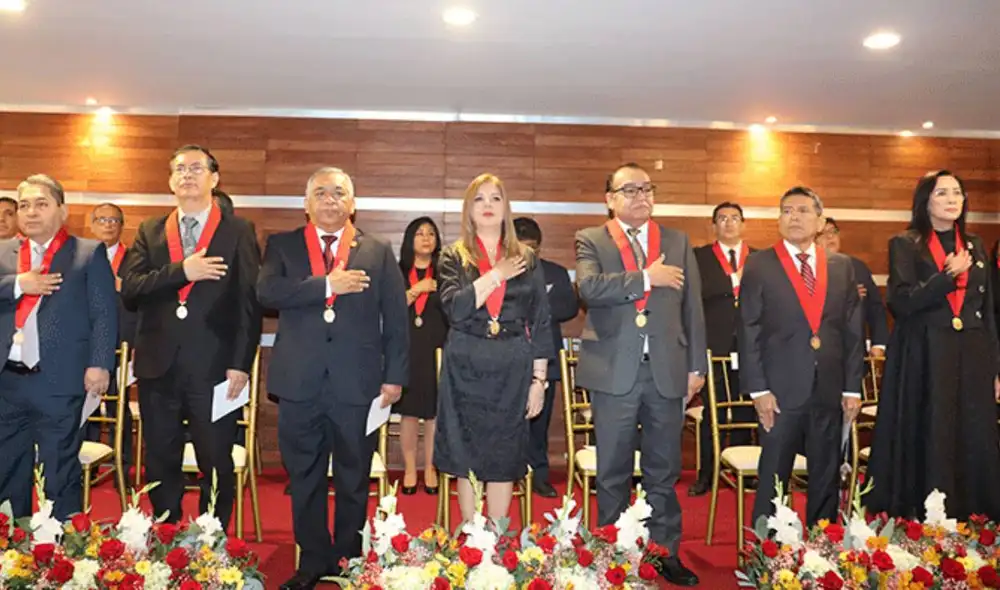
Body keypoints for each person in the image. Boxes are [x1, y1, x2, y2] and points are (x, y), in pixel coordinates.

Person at [258, 167, 408, 590]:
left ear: (352, 204)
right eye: (320, 193)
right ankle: (311, 562)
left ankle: (348, 561)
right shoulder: (283, 246)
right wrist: (327, 284)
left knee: (353, 477)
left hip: (356, 384)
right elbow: (266, 293)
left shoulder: (377, 250)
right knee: (303, 478)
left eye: (338, 193)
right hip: (298, 383)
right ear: (306, 205)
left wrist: (394, 376)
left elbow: (396, 319)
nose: (329, 200)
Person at [575, 162, 705, 586]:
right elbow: (590, 289)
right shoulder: (592, 239)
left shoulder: (677, 240)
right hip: (613, 372)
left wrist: (696, 368)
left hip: (667, 371)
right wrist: (648, 277)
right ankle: (614, 553)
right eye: (628, 190)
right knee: (612, 469)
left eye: (646, 188)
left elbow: (693, 310)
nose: (640, 197)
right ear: (610, 199)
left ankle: (664, 551)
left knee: (663, 470)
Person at [120, 145, 262, 529]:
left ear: (214, 179)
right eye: (179, 169)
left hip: (215, 367)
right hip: (157, 365)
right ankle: (166, 532)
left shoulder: (238, 230)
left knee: (215, 458)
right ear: (170, 181)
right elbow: (131, 288)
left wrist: (240, 364)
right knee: (161, 456)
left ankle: (212, 540)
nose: (187, 175)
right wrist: (183, 270)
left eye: (196, 168)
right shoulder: (150, 230)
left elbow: (249, 303)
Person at [866, 170, 1000, 521]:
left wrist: (995, 366)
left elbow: (988, 313)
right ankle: (922, 516)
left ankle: (974, 517)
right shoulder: (906, 243)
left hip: (971, 354)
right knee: (930, 430)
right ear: (925, 201)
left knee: (971, 432)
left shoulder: (976, 245)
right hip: (924, 352)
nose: (952, 199)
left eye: (957, 192)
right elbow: (901, 302)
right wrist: (946, 278)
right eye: (942, 193)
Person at [740, 186, 864, 528]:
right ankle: (769, 556)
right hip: (779, 392)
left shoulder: (841, 266)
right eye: (787, 210)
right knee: (774, 478)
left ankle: (822, 548)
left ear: (820, 221)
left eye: (803, 210)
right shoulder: (758, 264)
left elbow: (852, 332)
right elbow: (748, 329)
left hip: (828, 387)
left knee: (826, 474)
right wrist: (758, 390)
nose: (794, 217)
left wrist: (852, 388)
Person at [434, 173, 552, 526]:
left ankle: (498, 538)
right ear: (469, 209)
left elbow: (541, 321)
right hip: (465, 364)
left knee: (505, 455)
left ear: (506, 208)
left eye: (495, 199)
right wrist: (496, 275)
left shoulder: (527, 258)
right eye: (480, 199)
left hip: (512, 367)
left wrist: (539, 380)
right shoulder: (452, 256)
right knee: (465, 452)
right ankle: (472, 535)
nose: (487, 205)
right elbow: (455, 308)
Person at [0, 174, 117, 519]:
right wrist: (20, 283)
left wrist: (100, 365)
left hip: (59, 381)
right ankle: (11, 550)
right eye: (24, 205)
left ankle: (60, 555)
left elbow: (104, 314)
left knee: (58, 471)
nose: (31, 212)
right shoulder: (4, 252)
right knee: (7, 469)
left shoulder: (86, 252)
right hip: (7, 381)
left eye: (41, 204)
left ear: (62, 210)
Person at [689, 202, 757, 497]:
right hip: (713, 344)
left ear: (742, 224)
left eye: (734, 218)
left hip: (751, 345)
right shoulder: (699, 257)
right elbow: (692, 299)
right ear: (713, 225)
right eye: (722, 219)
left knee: (747, 407)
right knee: (712, 410)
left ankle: (747, 471)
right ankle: (707, 473)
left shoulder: (759, 258)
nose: (728, 223)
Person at [512, 216, 578, 498]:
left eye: (533, 249)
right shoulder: (499, 272)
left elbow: (569, 307)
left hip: (545, 361)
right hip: (507, 360)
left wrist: (535, 307)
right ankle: (507, 473)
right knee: (506, 422)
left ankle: (538, 475)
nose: (527, 254)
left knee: (539, 423)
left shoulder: (555, 272)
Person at [394, 216, 446, 496]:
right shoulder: (398, 270)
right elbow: (389, 308)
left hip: (437, 348)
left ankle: (431, 467)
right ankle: (410, 468)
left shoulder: (445, 271)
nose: (426, 238)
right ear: (409, 239)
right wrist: (416, 290)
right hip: (407, 347)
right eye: (420, 233)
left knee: (435, 413)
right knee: (410, 413)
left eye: (431, 234)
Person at [85, 202, 136, 476]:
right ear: (92, 225)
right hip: (89, 344)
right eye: (102, 219)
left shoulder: (134, 259)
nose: (108, 224)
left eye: (114, 220)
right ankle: (87, 466)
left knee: (120, 407)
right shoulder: (82, 256)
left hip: (124, 344)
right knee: (86, 404)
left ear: (121, 226)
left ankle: (122, 467)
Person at [817, 217, 889, 357]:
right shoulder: (806, 270)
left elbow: (875, 307)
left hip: (854, 351)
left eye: (834, 231)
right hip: (821, 350)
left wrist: (879, 343)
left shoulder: (857, 267)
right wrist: (847, 297)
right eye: (823, 233)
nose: (830, 236)